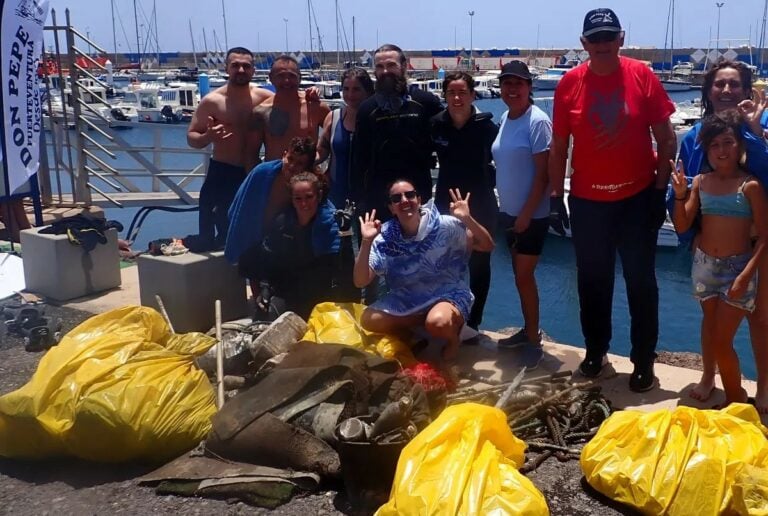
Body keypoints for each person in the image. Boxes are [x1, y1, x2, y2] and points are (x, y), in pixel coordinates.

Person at [547, 8, 677, 392]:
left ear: (621, 38)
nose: (602, 44)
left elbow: (667, 139)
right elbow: (558, 147)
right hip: (588, 202)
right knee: (592, 281)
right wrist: (556, 198)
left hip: (637, 199)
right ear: (583, 43)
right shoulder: (568, 84)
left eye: (609, 37)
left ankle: (643, 359)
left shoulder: (642, 75)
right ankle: (595, 351)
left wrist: (659, 191)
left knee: (640, 281)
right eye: (595, 38)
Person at [676, 60, 768, 411]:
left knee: (761, 315)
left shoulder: (760, 127)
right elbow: (685, 190)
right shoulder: (695, 136)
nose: (727, 91)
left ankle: (763, 385)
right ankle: (708, 375)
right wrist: (692, 239)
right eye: (719, 84)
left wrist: (755, 132)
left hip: (757, 240)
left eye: (734, 84)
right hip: (710, 247)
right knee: (709, 319)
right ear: (708, 91)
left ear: (746, 91)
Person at [353, 180, 495, 364]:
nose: (404, 200)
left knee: (437, 322)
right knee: (369, 319)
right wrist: (366, 242)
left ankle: (453, 339)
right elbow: (360, 281)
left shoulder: (446, 225)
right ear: (391, 208)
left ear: (419, 199)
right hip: (408, 299)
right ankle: (418, 329)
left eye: (410, 195)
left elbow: (487, 245)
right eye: (397, 198)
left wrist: (467, 219)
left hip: (448, 294)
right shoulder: (384, 238)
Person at [186, 47, 274, 251]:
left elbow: (294, 102)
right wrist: (209, 136)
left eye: (246, 66)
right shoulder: (213, 101)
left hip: (252, 170)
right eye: (235, 65)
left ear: (253, 70)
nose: (241, 70)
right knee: (212, 229)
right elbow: (192, 138)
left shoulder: (265, 97)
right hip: (222, 170)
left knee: (255, 230)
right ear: (226, 68)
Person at [430, 71, 499, 330]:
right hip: (445, 201)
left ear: (472, 95)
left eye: (462, 92)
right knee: (444, 264)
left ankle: (473, 323)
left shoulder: (486, 126)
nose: (457, 97)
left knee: (480, 265)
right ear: (444, 95)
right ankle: (446, 319)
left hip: (480, 201)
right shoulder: (435, 124)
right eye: (451, 92)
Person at [491, 61, 552, 347]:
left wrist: (527, 214)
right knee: (519, 276)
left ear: (529, 87)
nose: (512, 89)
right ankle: (528, 330)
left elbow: (544, 175)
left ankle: (532, 336)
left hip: (531, 215)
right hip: (510, 213)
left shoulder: (538, 121)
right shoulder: (506, 118)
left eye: (518, 83)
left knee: (524, 277)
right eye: (507, 83)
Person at [351, 44, 443, 223]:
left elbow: (446, 144)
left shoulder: (426, 102)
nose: (385, 71)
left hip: (418, 195)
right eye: (379, 67)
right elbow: (359, 159)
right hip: (379, 199)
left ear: (404, 66)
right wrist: (358, 199)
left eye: (391, 65)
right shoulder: (366, 109)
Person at [238, 172, 340, 320]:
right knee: (251, 256)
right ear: (291, 200)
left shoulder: (331, 224)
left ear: (319, 195)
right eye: (298, 198)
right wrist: (265, 287)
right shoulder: (283, 222)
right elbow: (269, 259)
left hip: (320, 290)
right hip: (289, 285)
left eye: (309, 197)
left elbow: (338, 269)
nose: (303, 203)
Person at [225, 137, 319, 265]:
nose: (292, 166)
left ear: (307, 167)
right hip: (254, 238)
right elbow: (240, 208)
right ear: (284, 154)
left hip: (283, 243)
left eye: (299, 163)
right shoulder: (262, 173)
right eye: (290, 159)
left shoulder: (309, 186)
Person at [247, 55, 330, 166]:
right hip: (276, 176)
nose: (287, 80)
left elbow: (333, 141)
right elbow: (251, 156)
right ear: (271, 78)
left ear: (299, 78)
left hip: (308, 177)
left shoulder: (317, 107)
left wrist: (316, 159)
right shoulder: (260, 112)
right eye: (281, 76)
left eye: (292, 76)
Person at [316, 68, 375, 209]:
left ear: (367, 91)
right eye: (346, 89)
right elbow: (322, 149)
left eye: (356, 89)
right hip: (335, 197)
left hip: (368, 197)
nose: (350, 94)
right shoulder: (333, 117)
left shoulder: (377, 119)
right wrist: (303, 161)